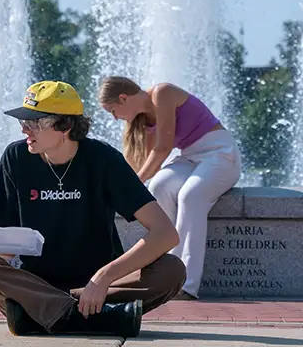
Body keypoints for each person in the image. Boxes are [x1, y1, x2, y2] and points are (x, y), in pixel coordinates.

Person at [0, 80, 185, 338]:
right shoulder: (15, 158)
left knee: (172, 270)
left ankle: (43, 317)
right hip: (36, 286)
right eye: (23, 122)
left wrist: (103, 277)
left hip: (97, 287)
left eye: (34, 123)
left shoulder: (103, 159)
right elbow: (6, 253)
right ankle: (91, 317)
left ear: (64, 125)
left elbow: (166, 233)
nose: (24, 130)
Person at [98, 76, 241, 300]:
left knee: (191, 196)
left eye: (113, 111)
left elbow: (163, 149)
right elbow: (146, 165)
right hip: (190, 157)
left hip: (220, 153)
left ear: (124, 98)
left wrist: (133, 184)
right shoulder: (143, 120)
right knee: (159, 185)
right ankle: (168, 274)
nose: (115, 118)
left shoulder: (162, 93)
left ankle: (187, 285)